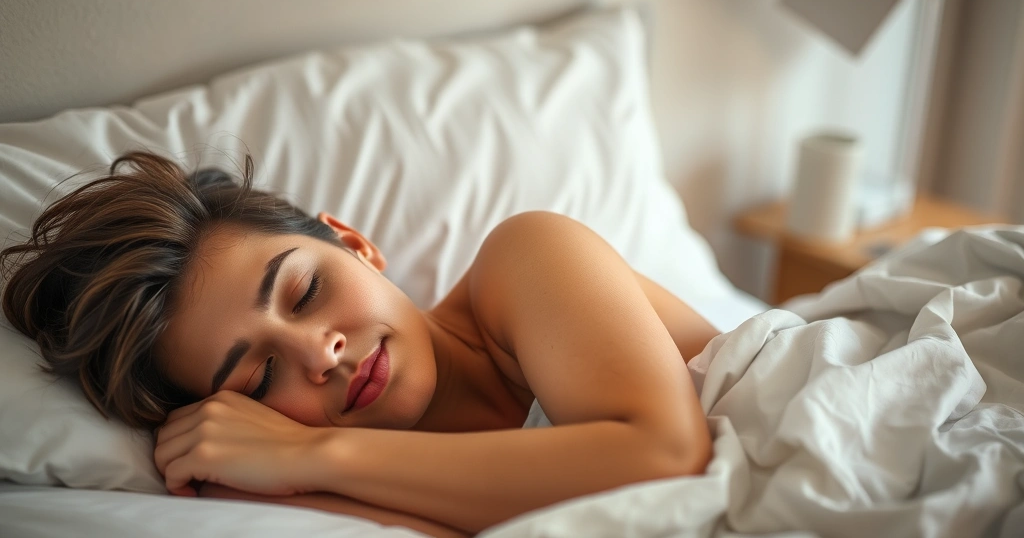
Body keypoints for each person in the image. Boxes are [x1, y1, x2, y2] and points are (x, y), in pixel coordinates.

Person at [1, 151, 718, 537]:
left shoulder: (525, 259)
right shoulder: (282, 484)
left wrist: (313, 453)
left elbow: (662, 458)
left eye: (305, 292)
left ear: (353, 243)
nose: (321, 355)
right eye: (257, 381)